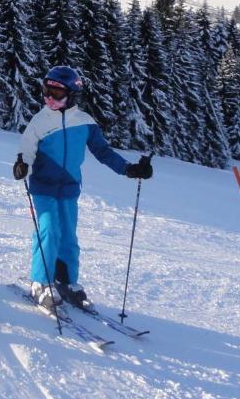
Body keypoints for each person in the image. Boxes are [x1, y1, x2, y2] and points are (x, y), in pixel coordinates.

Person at [13, 65, 153, 310]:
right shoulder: (40, 121)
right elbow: (27, 150)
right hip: (43, 187)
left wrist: (129, 169)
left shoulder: (85, 122)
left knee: (68, 236)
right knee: (48, 230)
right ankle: (40, 283)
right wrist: (22, 165)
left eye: (56, 93)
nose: (49, 98)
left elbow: (103, 152)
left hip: (68, 189)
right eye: (46, 91)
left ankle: (66, 281)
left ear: (72, 95)